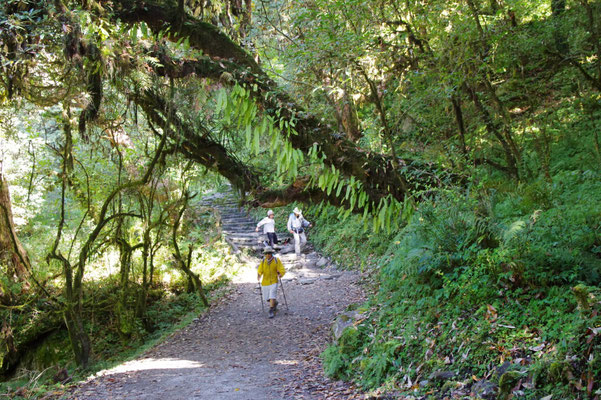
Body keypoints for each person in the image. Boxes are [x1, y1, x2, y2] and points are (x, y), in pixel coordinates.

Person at [257, 246, 285, 318]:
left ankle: (271, 310)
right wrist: (259, 275)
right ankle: (274, 303)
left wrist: (280, 273)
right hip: (265, 281)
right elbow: (260, 270)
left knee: (272, 295)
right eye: (266, 254)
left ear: (271, 253)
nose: (267, 255)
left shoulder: (276, 260)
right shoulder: (263, 261)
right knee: (267, 298)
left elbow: (281, 269)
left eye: (269, 253)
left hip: (273, 281)